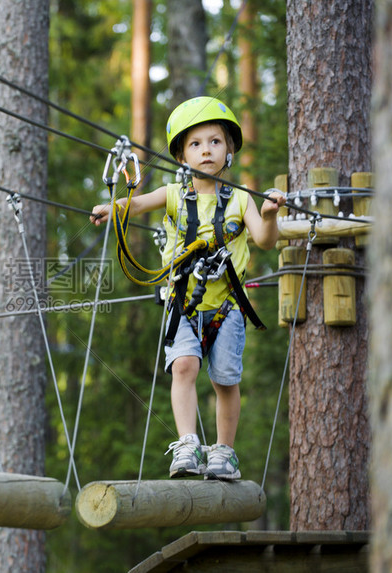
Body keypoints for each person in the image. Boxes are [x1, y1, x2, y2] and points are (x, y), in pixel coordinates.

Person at [90, 96, 286, 480]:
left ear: (229, 149)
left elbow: (264, 240)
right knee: (183, 367)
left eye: (214, 141)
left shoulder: (243, 199)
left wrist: (269, 214)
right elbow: (137, 204)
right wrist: (109, 208)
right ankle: (187, 443)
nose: (206, 150)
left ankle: (224, 452)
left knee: (225, 379)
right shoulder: (174, 195)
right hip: (182, 304)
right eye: (195, 144)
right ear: (182, 156)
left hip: (227, 307)